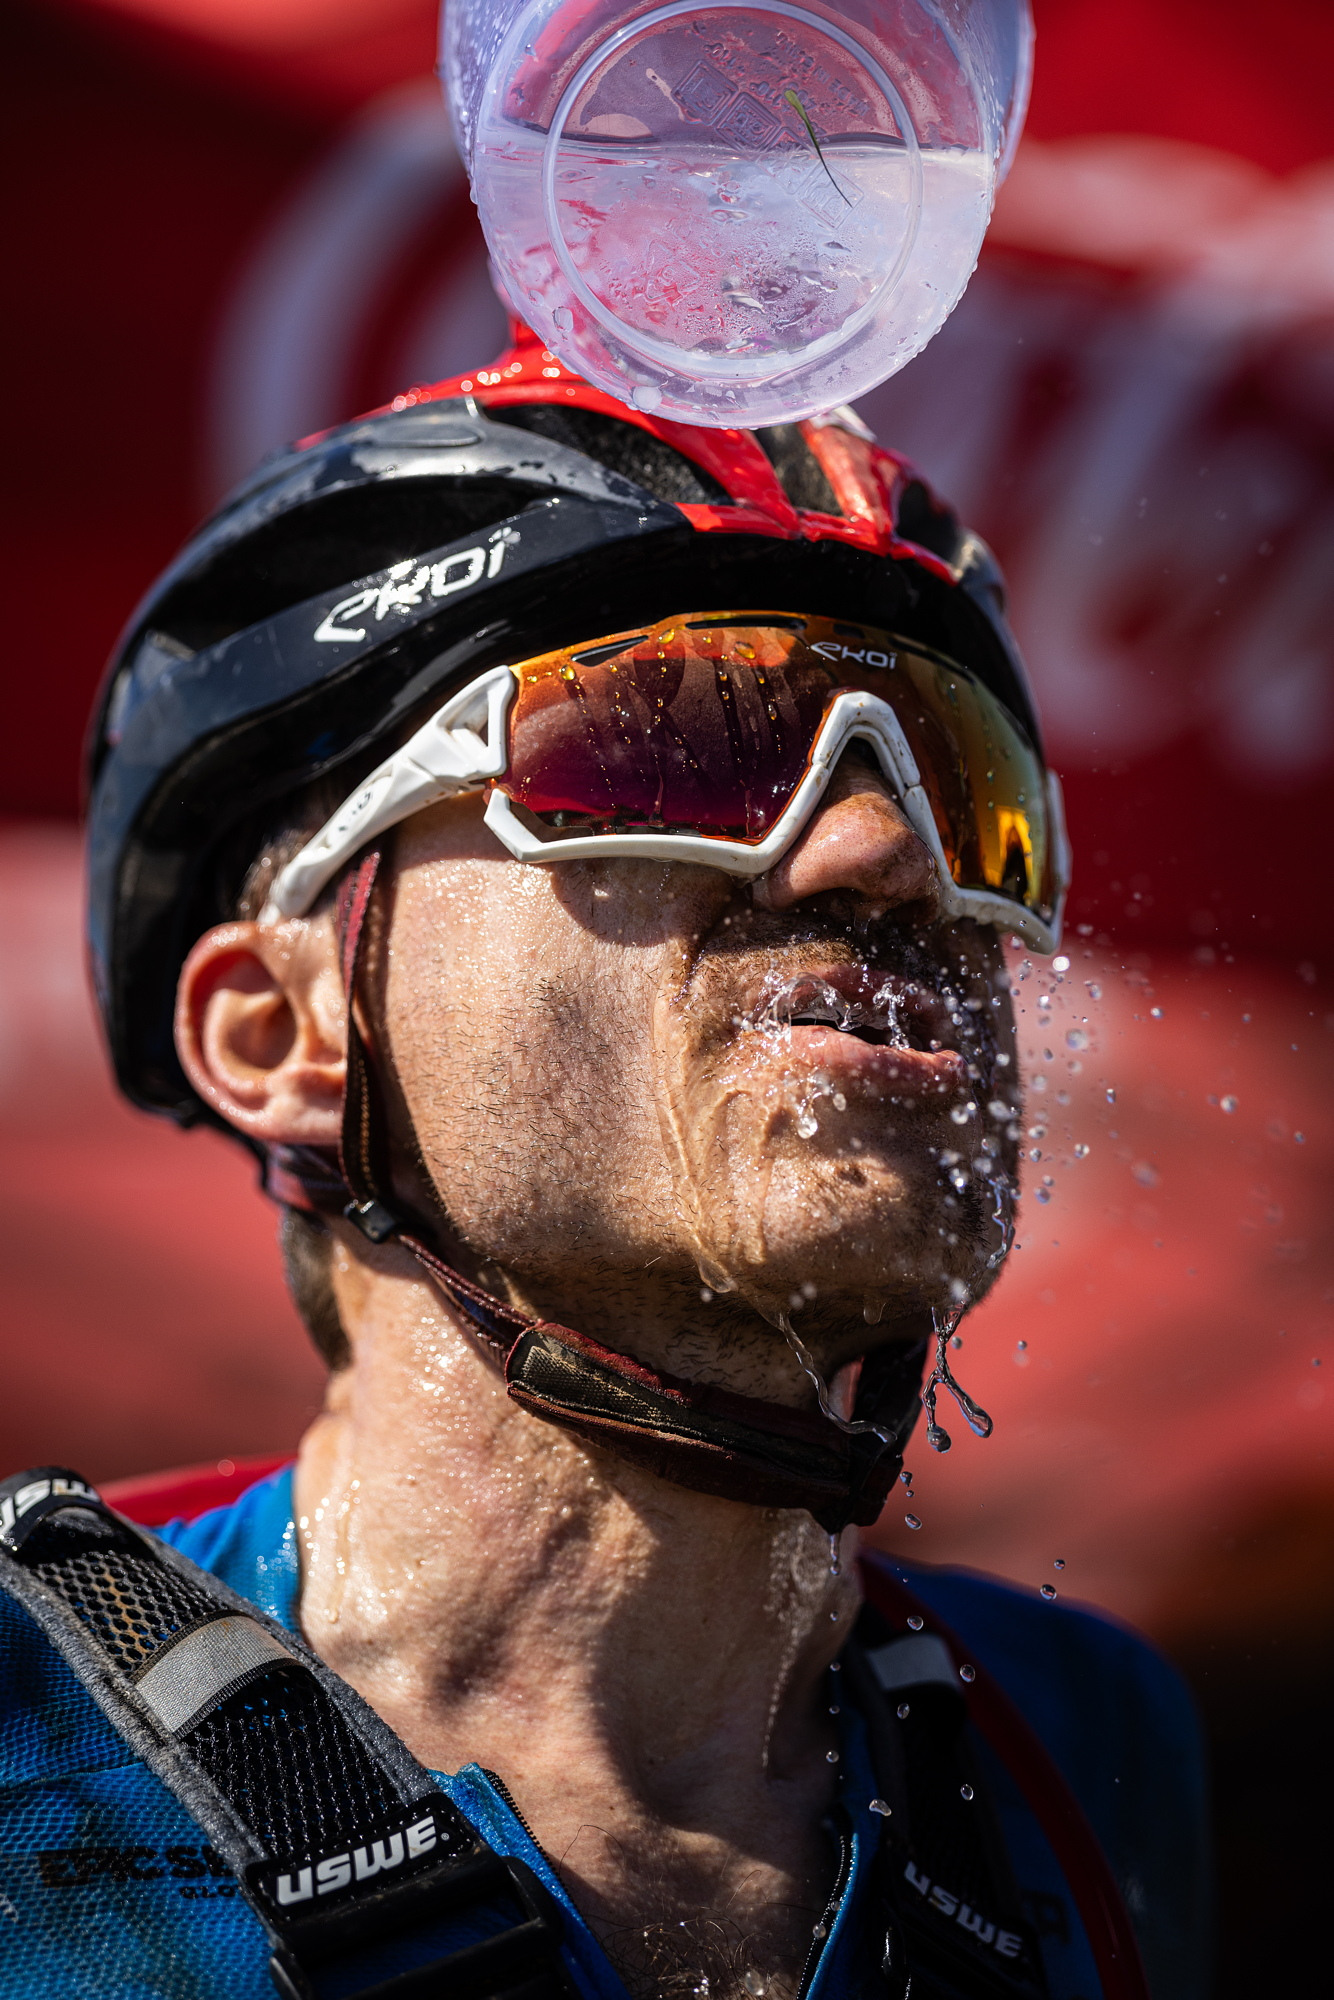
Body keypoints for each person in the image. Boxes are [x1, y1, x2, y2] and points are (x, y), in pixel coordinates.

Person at [0, 325, 1209, 2000]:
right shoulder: (23, 1723)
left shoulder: (1093, 1744)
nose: (884, 855)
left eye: (964, 785)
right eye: (669, 738)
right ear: (283, 1031)